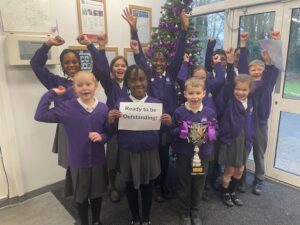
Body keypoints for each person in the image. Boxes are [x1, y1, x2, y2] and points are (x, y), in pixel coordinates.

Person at [123, 7, 189, 202]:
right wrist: (133, 29)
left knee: (165, 155)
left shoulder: (171, 74)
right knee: (154, 156)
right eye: (155, 60)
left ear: (167, 63)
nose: (158, 62)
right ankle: (154, 184)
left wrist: (184, 30)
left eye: (162, 60)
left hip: (166, 124)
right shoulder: (148, 74)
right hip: (149, 124)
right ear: (152, 62)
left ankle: (162, 185)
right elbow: (139, 55)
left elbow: (178, 54)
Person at [34, 71, 109, 225]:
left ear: (96, 86)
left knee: (96, 194)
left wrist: (102, 137)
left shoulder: (103, 109)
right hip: (77, 162)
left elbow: (108, 132)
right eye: (79, 85)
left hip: (98, 160)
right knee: (80, 196)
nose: (84, 88)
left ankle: (96, 220)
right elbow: (40, 115)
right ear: (74, 88)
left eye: (88, 84)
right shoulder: (67, 108)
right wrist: (52, 93)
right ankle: (84, 222)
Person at [107, 65, 172, 225]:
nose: (138, 84)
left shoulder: (155, 103)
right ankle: (135, 218)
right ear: (128, 83)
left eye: (142, 79)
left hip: (149, 152)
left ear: (147, 81)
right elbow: (112, 130)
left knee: (147, 186)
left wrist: (168, 123)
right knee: (130, 186)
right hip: (128, 152)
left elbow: (162, 128)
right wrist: (110, 120)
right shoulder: (121, 103)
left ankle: (146, 219)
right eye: (133, 80)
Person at [77, 33, 129, 202]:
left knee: (127, 157)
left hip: (130, 127)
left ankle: (126, 182)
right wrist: (100, 47)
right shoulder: (109, 83)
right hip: (113, 126)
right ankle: (112, 186)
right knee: (113, 157)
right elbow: (101, 67)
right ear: (113, 70)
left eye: (123, 66)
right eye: (117, 66)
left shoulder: (132, 84)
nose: (120, 68)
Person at [237, 31, 281, 195]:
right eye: (253, 69)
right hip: (246, 124)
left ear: (263, 70)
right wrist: (242, 44)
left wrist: (274, 46)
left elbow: (274, 68)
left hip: (261, 124)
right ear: (249, 72)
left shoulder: (268, 82)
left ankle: (259, 180)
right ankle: (240, 179)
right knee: (243, 153)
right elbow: (242, 66)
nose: (256, 71)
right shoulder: (247, 83)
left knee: (259, 154)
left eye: (259, 69)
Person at [171, 77, 217, 225]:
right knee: (184, 183)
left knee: (198, 183)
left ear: (204, 93)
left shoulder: (209, 113)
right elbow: (171, 130)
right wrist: (182, 131)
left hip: (202, 155)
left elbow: (216, 129)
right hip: (184, 154)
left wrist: (208, 134)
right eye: (191, 93)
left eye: (198, 93)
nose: (194, 97)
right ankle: (184, 212)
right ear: (185, 94)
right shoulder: (179, 112)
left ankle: (195, 211)